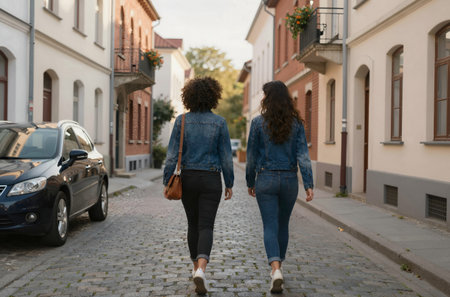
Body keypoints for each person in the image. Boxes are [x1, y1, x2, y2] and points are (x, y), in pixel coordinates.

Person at [163, 76, 234, 295]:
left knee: (192, 224)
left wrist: (167, 180)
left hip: (189, 178)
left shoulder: (182, 121)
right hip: (212, 179)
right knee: (206, 226)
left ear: (189, 96)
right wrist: (229, 182)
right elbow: (226, 157)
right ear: (214, 96)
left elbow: (172, 155)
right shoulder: (220, 123)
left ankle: (195, 268)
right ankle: (202, 269)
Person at [246, 80, 314, 294]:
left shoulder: (257, 123)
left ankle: (275, 269)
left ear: (268, 99)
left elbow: (251, 158)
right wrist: (309, 184)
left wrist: (250, 181)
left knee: (270, 225)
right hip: (289, 181)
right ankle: (279, 268)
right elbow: (303, 155)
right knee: (283, 225)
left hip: (265, 179)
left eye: (265, 96)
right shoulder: (296, 124)